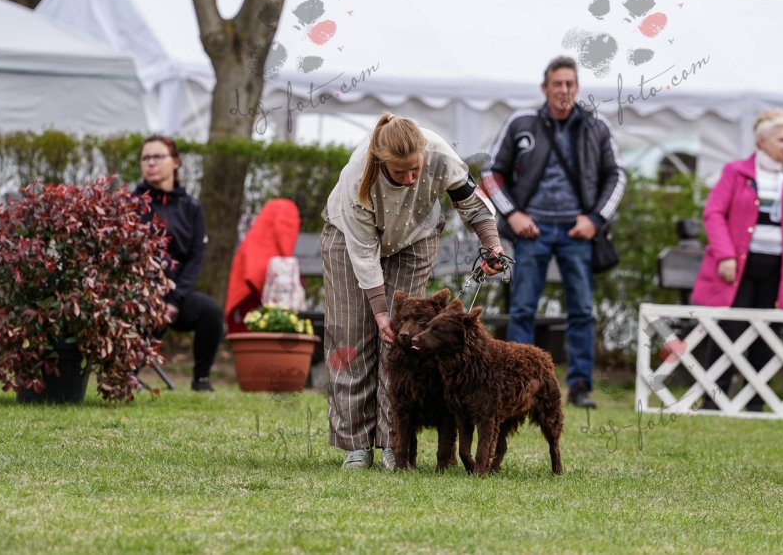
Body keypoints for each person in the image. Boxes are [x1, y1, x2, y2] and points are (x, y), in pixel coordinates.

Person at [322, 112, 504, 471]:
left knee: (403, 343)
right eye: (399, 172)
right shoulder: (358, 174)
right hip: (348, 241)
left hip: (416, 235)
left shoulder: (438, 152)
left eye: (415, 170)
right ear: (381, 161)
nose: (409, 179)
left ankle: (395, 445)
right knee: (351, 336)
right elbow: (364, 255)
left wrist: (492, 245)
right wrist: (380, 312)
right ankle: (356, 446)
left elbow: (471, 201)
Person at [482, 56, 626, 410]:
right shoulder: (522, 122)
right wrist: (513, 214)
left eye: (570, 84)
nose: (564, 90)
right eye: (557, 84)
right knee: (523, 309)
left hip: (577, 231)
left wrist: (596, 219)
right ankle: (519, 386)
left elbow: (617, 175)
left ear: (577, 88)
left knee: (582, 310)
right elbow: (490, 173)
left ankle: (580, 387)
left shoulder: (596, 126)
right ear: (545, 88)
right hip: (532, 229)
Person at [691, 109, 783, 411]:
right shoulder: (736, 172)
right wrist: (725, 255)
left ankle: (755, 401)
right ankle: (714, 398)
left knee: (767, 332)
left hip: (779, 268)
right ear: (762, 142)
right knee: (729, 329)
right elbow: (714, 213)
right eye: (782, 140)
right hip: (740, 265)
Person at [134, 135, 223, 392]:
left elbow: (194, 260)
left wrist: (173, 301)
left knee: (210, 311)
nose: (151, 163)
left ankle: (201, 380)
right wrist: (152, 297)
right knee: (144, 313)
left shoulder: (191, 208)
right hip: (139, 295)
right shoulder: (132, 204)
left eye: (157, 156)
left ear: (175, 162)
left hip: (176, 296)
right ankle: (127, 375)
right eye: (145, 158)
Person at [225, 198, 303, 333]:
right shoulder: (256, 249)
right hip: (252, 310)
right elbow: (253, 276)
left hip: (252, 313)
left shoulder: (252, 246)